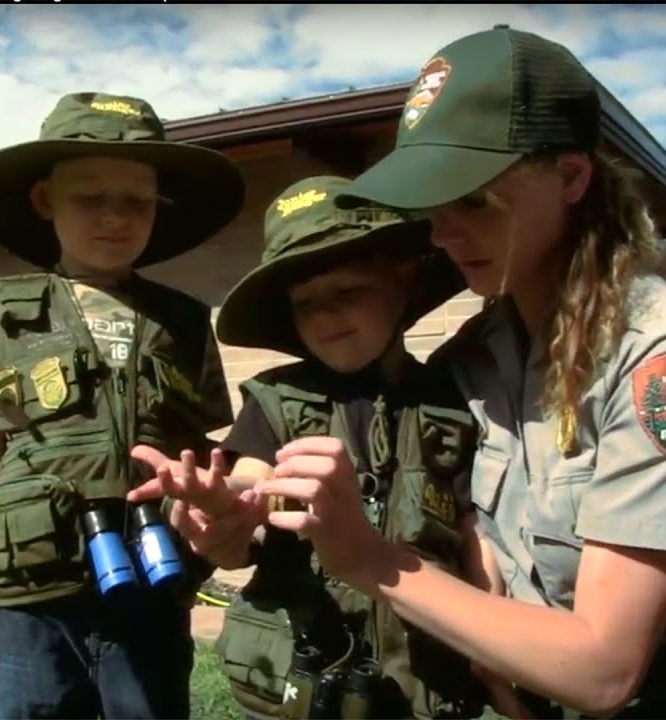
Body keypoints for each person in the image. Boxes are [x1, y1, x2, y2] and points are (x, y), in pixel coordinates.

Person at [244, 26, 666, 720]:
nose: (443, 232)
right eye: (432, 205)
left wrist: (369, 560)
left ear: (570, 176)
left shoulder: (664, 360)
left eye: (473, 199)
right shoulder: (480, 355)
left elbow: (602, 668)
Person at [127, 175, 529, 719]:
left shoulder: (451, 401)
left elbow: (470, 526)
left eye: (346, 292)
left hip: (423, 680)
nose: (323, 316)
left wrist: (492, 637)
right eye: (304, 303)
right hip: (303, 680)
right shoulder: (278, 399)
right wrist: (226, 508)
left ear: (404, 280)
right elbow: (251, 486)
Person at [0, 91, 245, 720]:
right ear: (46, 201)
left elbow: (201, 451)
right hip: (28, 589)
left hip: (153, 581)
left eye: (136, 201)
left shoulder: (183, 320)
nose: (114, 217)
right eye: (89, 198)